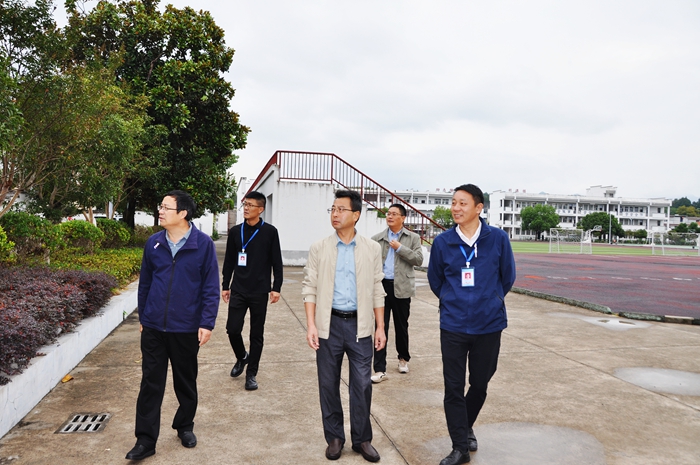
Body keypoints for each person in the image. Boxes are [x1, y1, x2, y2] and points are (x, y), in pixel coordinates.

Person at [126, 190, 220, 461]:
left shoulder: (203, 245)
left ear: (183, 213)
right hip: (154, 327)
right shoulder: (154, 243)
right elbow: (145, 283)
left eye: (166, 207)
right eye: (161, 206)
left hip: (186, 328)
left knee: (185, 381)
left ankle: (184, 425)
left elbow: (211, 287)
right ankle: (145, 440)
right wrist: (144, 317)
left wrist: (206, 322)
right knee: (150, 384)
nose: (161, 210)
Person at [427, 184, 516, 465]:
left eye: (462, 203)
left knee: (479, 384)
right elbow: (435, 280)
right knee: (453, 387)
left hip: (488, 324)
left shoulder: (498, 239)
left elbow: (507, 277)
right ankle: (459, 448)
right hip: (453, 325)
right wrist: (452, 301)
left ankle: (465, 426)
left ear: (479, 208)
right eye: (453, 202)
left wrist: (490, 300)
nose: (456, 208)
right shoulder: (443, 242)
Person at [302, 189, 387, 462]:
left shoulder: (372, 249)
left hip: (361, 326)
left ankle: (362, 440)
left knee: (362, 385)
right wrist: (311, 325)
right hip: (329, 325)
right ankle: (335, 438)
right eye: (333, 209)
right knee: (328, 384)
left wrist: (380, 327)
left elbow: (377, 289)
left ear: (356, 215)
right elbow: (309, 288)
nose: (335, 214)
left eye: (341, 209)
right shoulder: (319, 248)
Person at [221, 191, 283, 391]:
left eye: (250, 205)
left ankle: (251, 374)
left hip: (259, 291)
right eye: (245, 204)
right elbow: (229, 260)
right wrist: (225, 285)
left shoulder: (270, 232)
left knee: (256, 334)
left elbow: (277, 262)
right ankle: (242, 356)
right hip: (239, 288)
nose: (246, 208)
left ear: (260, 209)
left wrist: (276, 288)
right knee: (232, 329)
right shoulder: (235, 231)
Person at [370, 203, 423, 383]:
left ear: (403, 218)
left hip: (402, 287)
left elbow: (418, 260)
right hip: (382, 287)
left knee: (401, 326)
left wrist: (400, 248)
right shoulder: (377, 239)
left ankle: (403, 359)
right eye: (388, 213)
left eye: (394, 214)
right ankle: (379, 368)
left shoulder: (413, 238)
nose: (390, 216)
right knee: (380, 326)